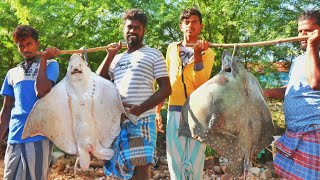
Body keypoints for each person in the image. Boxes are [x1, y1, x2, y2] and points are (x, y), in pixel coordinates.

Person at [96, 9, 171, 180]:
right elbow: (99, 81)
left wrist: (141, 108)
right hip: (118, 123)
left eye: (137, 28)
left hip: (141, 119)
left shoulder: (153, 54)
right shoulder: (117, 58)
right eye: (129, 27)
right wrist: (110, 55)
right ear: (124, 29)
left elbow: (166, 88)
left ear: (143, 30)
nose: (132, 31)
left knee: (140, 169)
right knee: (121, 171)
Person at [156, 8, 216, 180]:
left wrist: (198, 56)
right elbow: (165, 82)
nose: (190, 25)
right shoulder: (171, 49)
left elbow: (201, 84)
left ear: (201, 26)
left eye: (195, 22)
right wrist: (157, 111)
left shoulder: (208, 52)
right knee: (176, 164)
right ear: (181, 26)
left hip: (198, 113)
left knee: (195, 165)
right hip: (174, 111)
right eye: (186, 22)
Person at [264, 10, 320, 179]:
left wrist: (312, 45)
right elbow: (293, 87)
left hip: (314, 131)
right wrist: (266, 92)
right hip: (295, 132)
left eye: (308, 31)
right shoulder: (299, 60)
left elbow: (315, 81)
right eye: (300, 31)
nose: (302, 35)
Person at [0, 25, 60, 180]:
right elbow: (6, 108)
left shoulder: (50, 64)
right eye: (21, 46)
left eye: (29, 44)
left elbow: (42, 91)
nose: (25, 49)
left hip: (38, 134)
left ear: (37, 44)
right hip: (15, 135)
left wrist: (44, 59)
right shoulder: (12, 73)